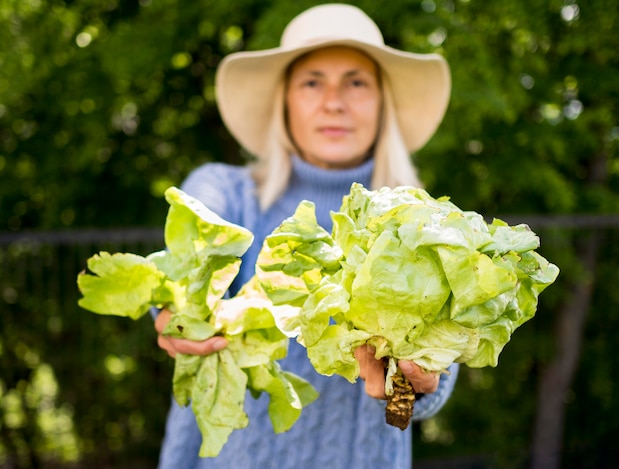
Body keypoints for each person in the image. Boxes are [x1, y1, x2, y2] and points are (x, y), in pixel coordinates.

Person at [153, 4, 459, 468]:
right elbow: (191, 235)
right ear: (285, 101)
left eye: (356, 82)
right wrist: (176, 305)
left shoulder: (419, 226)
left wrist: (411, 385)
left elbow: (433, 381)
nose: (333, 101)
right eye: (312, 82)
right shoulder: (230, 195)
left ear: (382, 103)